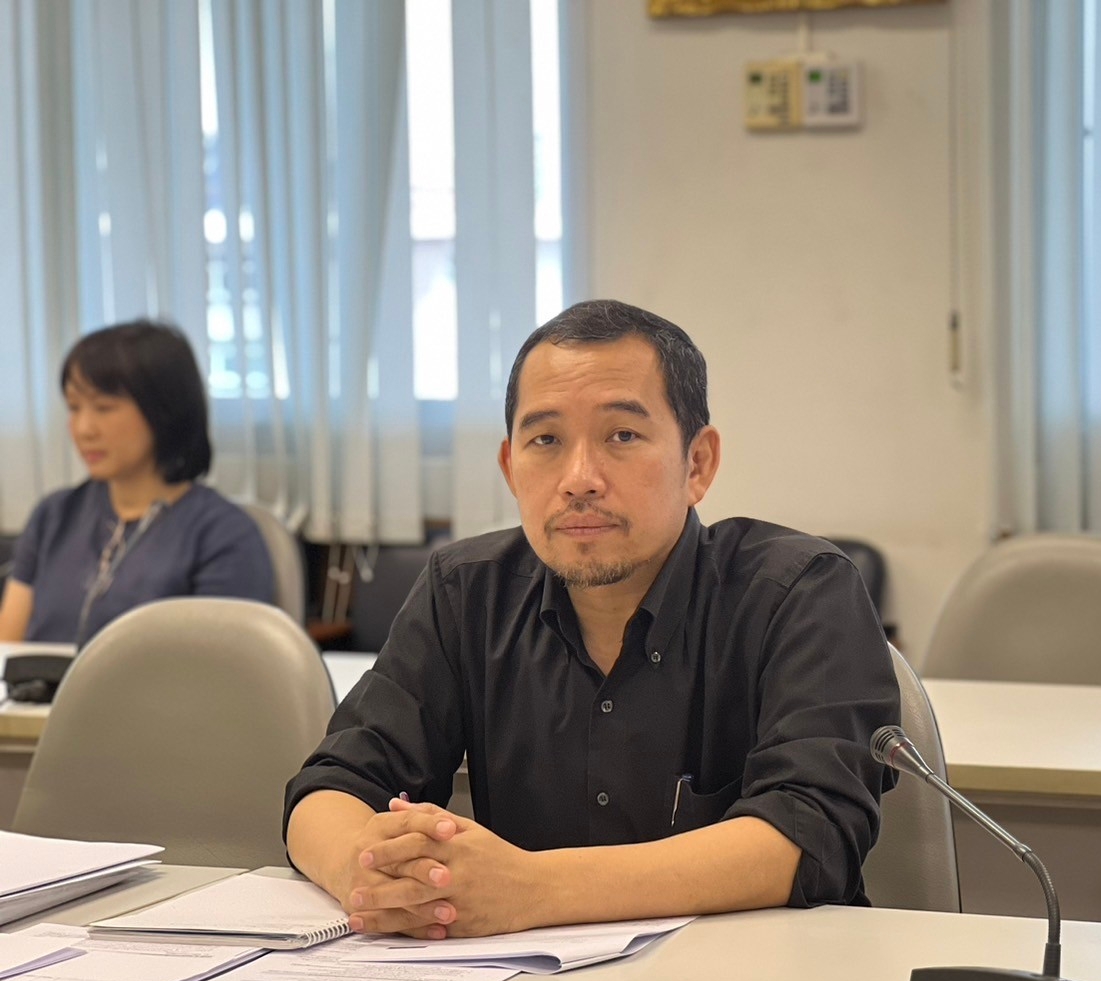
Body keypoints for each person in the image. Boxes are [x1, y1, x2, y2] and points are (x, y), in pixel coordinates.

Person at [284, 299, 898, 939]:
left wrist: (529, 888)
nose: (579, 479)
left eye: (622, 436)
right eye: (546, 440)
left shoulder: (799, 591)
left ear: (697, 464)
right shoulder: (464, 591)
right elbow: (333, 785)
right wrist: (369, 873)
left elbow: (811, 832)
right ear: (510, 468)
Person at [0, 321, 276, 645]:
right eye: (74, 407)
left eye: (104, 408)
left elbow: (223, 662)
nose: (84, 428)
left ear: (163, 411)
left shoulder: (221, 535)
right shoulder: (54, 515)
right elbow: (7, 646)